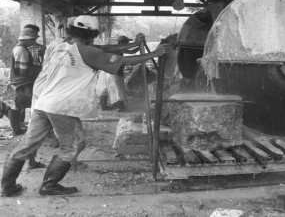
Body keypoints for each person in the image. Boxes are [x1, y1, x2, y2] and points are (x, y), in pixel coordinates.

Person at [0, 15, 172, 197]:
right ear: (91, 34)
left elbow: (102, 49)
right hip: (61, 106)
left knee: (27, 145)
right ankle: (49, 185)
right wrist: (155, 53)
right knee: (74, 145)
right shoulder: (87, 51)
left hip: (43, 102)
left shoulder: (61, 46)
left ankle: (6, 186)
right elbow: (119, 60)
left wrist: (131, 45)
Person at [8, 25, 46, 170]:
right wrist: (40, 70)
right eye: (33, 39)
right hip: (24, 85)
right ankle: (18, 130)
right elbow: (24, 71)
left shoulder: (20, 49)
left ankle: (17, 129)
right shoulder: (22, 51)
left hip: (20, 84)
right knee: (31, 114)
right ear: (29, 38)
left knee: (21, 108)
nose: (33, 42)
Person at [98, 35, 140, 112]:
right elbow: (131, 51)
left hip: (108, 71)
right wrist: (140, 46)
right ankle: (121, 107)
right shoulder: (119, 48)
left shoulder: (115, 49)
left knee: (107, 89)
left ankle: (103, 106)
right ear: (121, 42)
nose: (127, 43)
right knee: (120, 89)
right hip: (114, 71)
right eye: (126, 42)